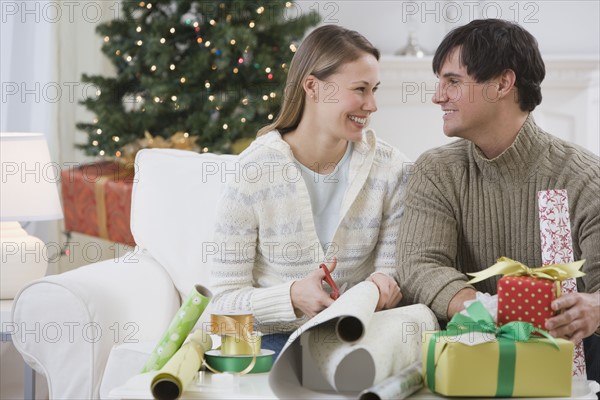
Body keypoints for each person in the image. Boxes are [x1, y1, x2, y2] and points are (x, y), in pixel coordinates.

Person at [397, 19, 599, 383]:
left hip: (571, 368)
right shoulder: (436, 170)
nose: (437, 95)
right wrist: (493, 311)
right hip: (468, 361)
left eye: (453, 82)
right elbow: (420, 265)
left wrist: (594, 308)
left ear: (503, 83)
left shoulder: (584, 177)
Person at [210, 25, 405, 356]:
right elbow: (218, 318)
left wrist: (383, 289)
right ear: (313, 87)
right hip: (273, 344)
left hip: (359, 338)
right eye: (360, 89)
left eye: (374, 89)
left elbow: (390, 277)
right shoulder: (253, 171)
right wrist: (290, 298)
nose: (371, 105)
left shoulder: (392, 169)